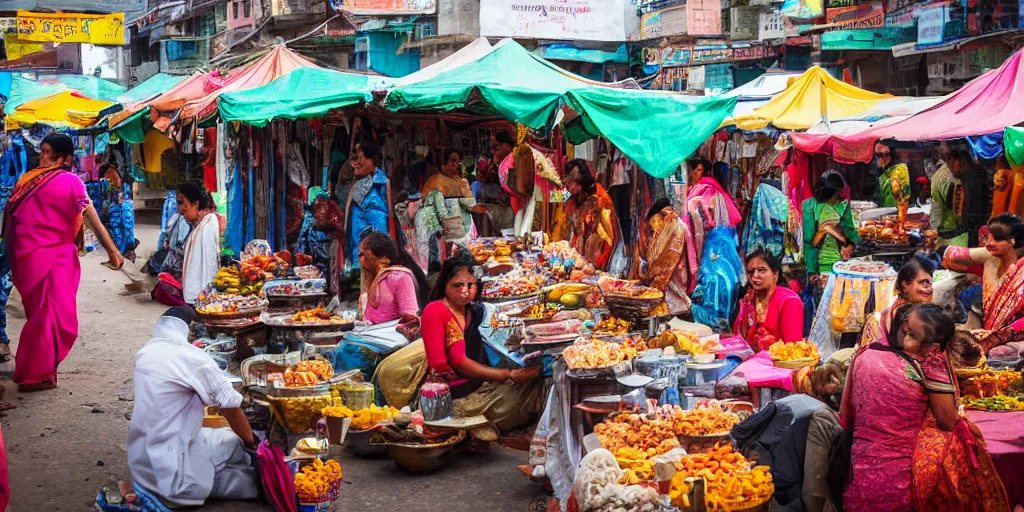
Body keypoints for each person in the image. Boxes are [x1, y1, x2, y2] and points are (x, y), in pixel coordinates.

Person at [2, 133, 124, 391]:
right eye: (42, 152)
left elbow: (10, 220)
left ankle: (38, 371)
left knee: (44, 317)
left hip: (31, 259)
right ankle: (35, 375)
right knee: (50, 317)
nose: (43, 157)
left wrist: (113, 251)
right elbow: (89, 215)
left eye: (48, 153)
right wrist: (113, 251)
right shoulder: (65, 180)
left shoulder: (30, 181)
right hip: (43, 260)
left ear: (65, 158)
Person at [375, 252, 541, 433]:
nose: (464, 291)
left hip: (475, 382)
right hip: (450, 395)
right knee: (522, 394)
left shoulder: (475, 311)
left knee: (535, 381)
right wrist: (508, 374)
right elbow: (457, 361)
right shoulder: (436, 310)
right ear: (445, 285)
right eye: (457, 285)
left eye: (470, 285)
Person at [128, 307, 258, 507]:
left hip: (142, 465)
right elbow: (231, 407)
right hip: (173, 477)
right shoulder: (192, 358)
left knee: (229, 440)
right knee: (250, 478)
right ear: (187, 329)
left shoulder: (145, 352)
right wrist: (251, 442)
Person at [944, 213, 1024, 350]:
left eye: (997, 239)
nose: (989, 243)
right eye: (988, 237)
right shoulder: (990, 259)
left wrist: (1001, 336)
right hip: (987, 336)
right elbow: (949, 257)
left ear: (1013, 241)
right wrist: (985, 255)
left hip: (1016, 342)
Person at [734, 248, 804, 351]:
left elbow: (793, 348)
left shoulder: (789, 301)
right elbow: (740, 337)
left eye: (762, 270)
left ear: (775, 274)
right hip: (751, 359)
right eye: (750, 272)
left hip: (780, 363)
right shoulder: (749, 299)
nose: (755, 276)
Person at [859, 257, 933, 348]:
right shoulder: (909, 315)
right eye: (923, 282)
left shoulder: (899, 309)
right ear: (905, 284)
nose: (928, 288)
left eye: (930, 283)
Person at [358, 230, 428, 324]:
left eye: (364, 255)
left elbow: (411, 320)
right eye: (359, 254)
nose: (360, 259)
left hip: (394, 336)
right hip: (368, 336)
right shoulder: (370, 278)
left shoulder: (400, 277)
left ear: (383, 258)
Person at [418, 148, 482, 251]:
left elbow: (469, 202)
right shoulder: (435, 180)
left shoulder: (458, 179)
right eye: (453, 160)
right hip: (444, 228)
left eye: (458, 161)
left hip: (462, 227)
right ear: (444, 163)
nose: (456, 164)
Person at [341, 140, 389, 278]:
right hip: (360, 259)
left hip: (368, 264)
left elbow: (379, 229)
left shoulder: (373, 190)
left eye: (360, 158)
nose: (355, 163)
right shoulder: (362, 184)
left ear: (372, 160)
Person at [642, 198, 697, 316]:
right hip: (665, 293)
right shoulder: (666, 227)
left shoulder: (676, 227)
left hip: (674, 297)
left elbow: (669, 260)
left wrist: (654, 285)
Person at [564, 159, 619, 271]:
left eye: (572, 182)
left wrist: (595, 266)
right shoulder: (577, 201)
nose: (570, 187)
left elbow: (609, 243)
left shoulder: (601, 203)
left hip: (596, 271)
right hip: (580, 267)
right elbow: (577, 233)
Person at [803, 173, 858, 275]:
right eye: (836, 193)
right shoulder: (810, 205)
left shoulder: (810, 205)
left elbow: (850, 232)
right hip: (822, 263)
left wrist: (849, 245)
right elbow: (809, 240)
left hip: (837, 261)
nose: (837, 196)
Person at [177, 182, 220, 305]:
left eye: (182, 203)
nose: (179, 210)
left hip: (201, 299)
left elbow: (208, 266)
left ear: (195, 203)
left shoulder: (207, 226)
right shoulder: (200, 225)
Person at [685, 156, 742, 233]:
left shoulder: (706, 186)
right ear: (691, 172)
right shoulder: (697, 186)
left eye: (700, 170)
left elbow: (708, 207)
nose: (699, 173)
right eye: (697, 170)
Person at [930, 147, 966, 239]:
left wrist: (934, 229)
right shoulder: (948, 179)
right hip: (952, 230)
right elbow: (937, 206)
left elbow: (936, 207)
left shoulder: (937, 177)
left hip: (949, 229)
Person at [875, 142, 911, 219]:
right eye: (879, 155)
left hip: (898, 213)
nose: (883, 158)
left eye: (886, 154)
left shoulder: (900, 168)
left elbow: (902, 198)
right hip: (885, 213)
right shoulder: (883, 172)